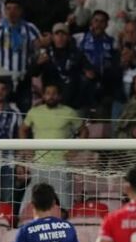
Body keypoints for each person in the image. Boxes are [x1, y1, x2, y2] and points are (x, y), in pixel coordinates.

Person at [19, 83, 87, 213]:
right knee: (31, 200)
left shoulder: (69, 112)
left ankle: (66, 224)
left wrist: (74, 151)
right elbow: (22, 129)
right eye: (48, 93)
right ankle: (22, 222)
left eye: (54, 93)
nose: (51, 96)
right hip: (39, 163)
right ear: (43, 95)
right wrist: (27, 149)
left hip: (61, 163)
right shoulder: (34, 112)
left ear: (59, 96)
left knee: (64, 201)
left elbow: (84, 131)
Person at [0, 0, 40, 114]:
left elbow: (38, 46)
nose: (11, 12)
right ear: (5, 11)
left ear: (20, 11)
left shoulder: (29, 28)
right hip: (5, 74)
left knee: (24, 109)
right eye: (8, 9)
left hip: (23, 74)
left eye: (15, 9)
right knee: (3, 109)